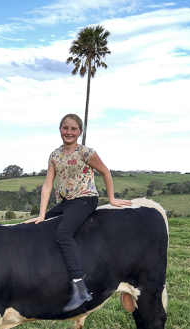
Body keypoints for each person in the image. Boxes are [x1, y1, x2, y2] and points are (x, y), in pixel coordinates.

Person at [25, 113, 133, 312]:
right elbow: (48, 185)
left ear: (80, 132)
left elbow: (105, 171)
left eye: (73, 129)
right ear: (60, 130)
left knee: (63, 233)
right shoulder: (54, 155)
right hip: (66, 202)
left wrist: (111, 199)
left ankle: (80, 289)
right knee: (40, 227)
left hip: (84, 199)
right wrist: (42, 215)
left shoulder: (86, 152)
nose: (69, 132)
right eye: (65, 128)